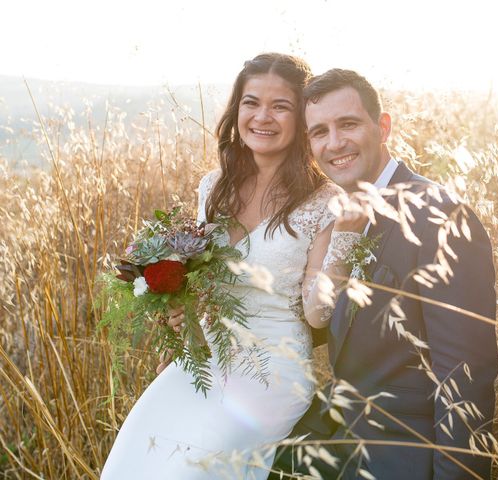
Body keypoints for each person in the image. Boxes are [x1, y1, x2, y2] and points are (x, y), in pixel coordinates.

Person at [101, 54, 365, 480]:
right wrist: (180, 318)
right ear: (236, 109)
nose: (263, 116)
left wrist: (347, 237)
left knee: (190, 468)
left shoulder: (326, 201)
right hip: (205, 360)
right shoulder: (214, 187)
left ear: (300, 117)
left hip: (271, 372)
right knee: (134, 453)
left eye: (280, 106)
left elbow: (317, 312)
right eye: (251, 102)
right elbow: (200, 280)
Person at [270, 69, 498, 479]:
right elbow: (324, 325)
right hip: (345, 448)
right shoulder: (340, 218)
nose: (334, 143)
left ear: (384, 127)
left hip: (407, 458)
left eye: (349, 124)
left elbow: (464, 383)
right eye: (319, 131)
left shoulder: (439, 217)